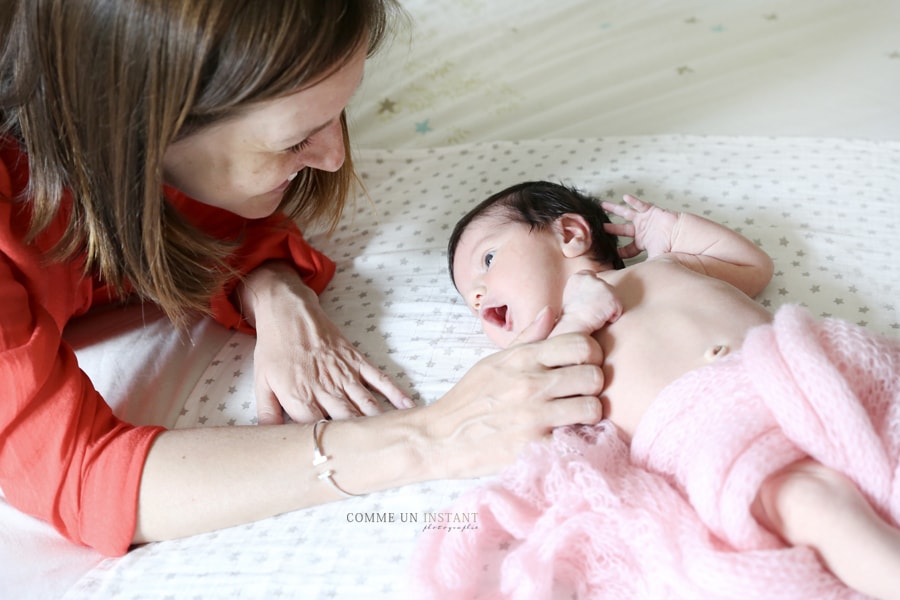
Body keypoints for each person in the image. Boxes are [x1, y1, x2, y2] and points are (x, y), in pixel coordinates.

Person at [0, 2, 607, 557]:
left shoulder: (127, 132)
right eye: (295, 140)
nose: (335, 156)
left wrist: (273, 291)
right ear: (133, 127)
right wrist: (432, 436)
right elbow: (87, 476)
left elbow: (202, 216)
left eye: (341, 111)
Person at [448, 180, 900, 599]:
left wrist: (673, 230)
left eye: (487, 262)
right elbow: (556, 417)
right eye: (470, 297)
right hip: (704, 430)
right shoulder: (549, 353)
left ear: (570, 234)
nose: (478, 295)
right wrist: (578, 321)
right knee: (809, 501)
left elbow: (753, 267)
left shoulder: (665, 266)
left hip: (792, 373)